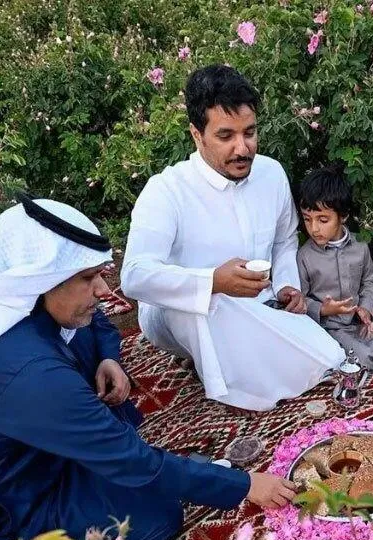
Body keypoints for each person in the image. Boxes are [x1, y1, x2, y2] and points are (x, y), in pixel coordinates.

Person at [0, 196, 297, 540]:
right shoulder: (31, 370)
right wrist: (244, 485)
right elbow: (133, 460)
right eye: (87, 278)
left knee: (118, 412)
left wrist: (109, 359)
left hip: (28, 459)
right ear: (40, 281)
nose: (103, 290)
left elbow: (96, 325)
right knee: (156, 518)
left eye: (100, 274)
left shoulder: (16, 303)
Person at [121, 64, 345, 410]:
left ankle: (257, 359)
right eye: (225, 136)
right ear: (197, 134)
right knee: (211, 308)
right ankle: (239, 385)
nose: (242, 148)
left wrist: (287, 285)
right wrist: (213, 281)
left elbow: (284, 241)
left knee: (328, 355)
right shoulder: (166, 190)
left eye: (250, 133)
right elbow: (134, 277)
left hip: (259, 304)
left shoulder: (271, 173)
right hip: (184, 314)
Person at [295, 166, 373, 371]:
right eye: (307, 219)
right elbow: (300, 298)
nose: (314, 228)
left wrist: (366, 310)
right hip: (327, 327)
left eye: (323, 219)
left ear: (342, 216)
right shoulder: (304, 256)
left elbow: (369, 281)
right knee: (360, 358)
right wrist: (324, 309)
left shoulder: (360, 246)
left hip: (356, 322)